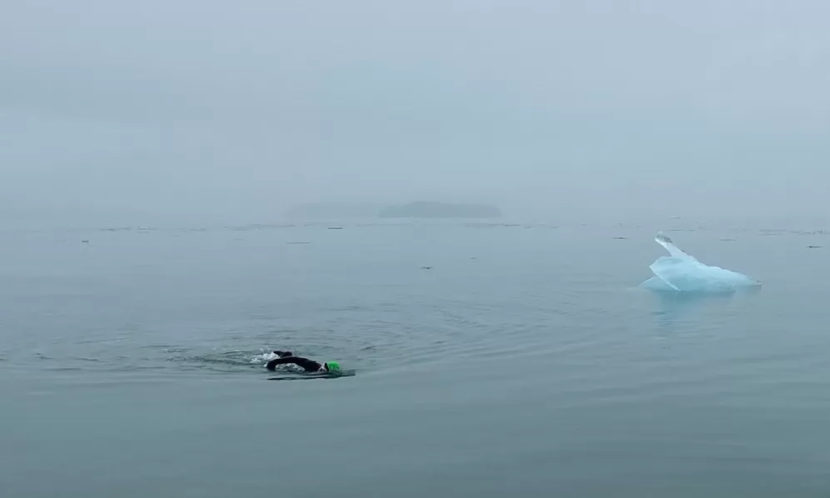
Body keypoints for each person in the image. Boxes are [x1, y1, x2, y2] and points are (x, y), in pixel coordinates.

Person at [266, 350, 341, 374]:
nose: (320, 371)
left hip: (296, 365)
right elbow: (295, 359)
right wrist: (273, 363)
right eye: (322, 369)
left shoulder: (315, 371)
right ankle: (284, 354)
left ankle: (286, 355)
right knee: (288, 357)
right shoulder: (311, 365)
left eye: (323, 371)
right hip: (294, 360)